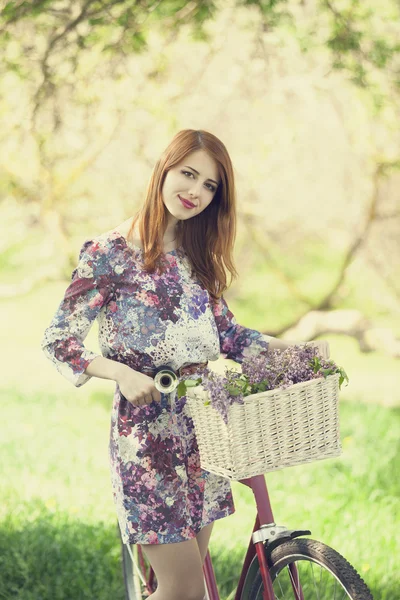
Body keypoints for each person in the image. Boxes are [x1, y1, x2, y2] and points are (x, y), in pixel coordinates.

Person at [41, 128, 330, 600]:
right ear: (164, 170)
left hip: (204, 432)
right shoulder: (108, 253)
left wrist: (300, 352)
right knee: (183, 591)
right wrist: (120, 372)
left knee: (192, 588)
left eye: (210, 185)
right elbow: (59, 341)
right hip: (145, 440)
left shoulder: (198, 259)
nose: (195, 191)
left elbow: (231, 337)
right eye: (188, 174)